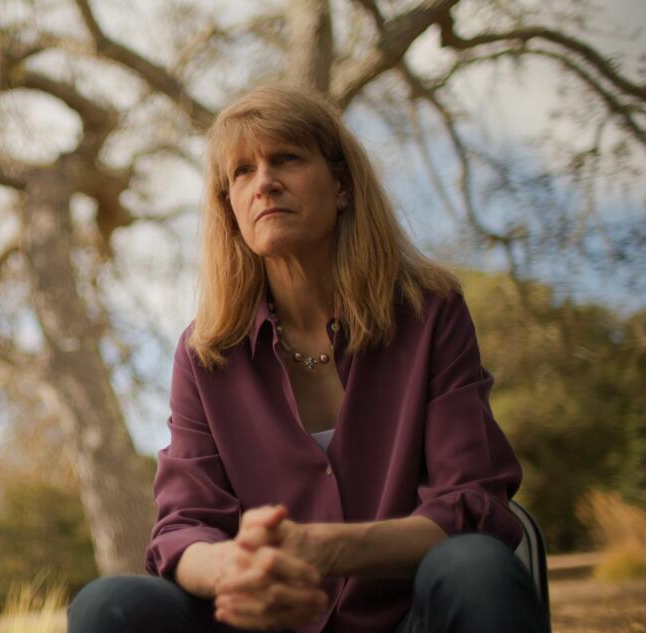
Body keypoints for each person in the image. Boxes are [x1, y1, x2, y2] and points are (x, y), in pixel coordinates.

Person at [67, 85, 551, 633]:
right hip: (259, 623)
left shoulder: (431, 313)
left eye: (287, 159)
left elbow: (471, 502)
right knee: (107, 607)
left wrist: (323, 549)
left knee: (475, 567)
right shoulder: (204, 355)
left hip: (407, 618)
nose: (264, 182)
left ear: (342, 186)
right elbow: (184, 526)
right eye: (241, 173)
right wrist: (236, 570)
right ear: (229, 210)